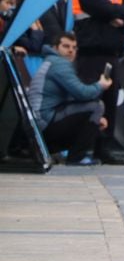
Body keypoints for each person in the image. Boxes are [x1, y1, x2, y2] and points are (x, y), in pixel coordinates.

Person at [71, 0, 124, 165]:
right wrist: (113, 16)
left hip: (112, 52)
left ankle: (104, 147)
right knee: (90, 100)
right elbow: (100, 7)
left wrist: (114, 16)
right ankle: (85, 147)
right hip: (91, 54)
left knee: (110, 102)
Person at [27, 32, 111, 165]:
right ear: (55, 48)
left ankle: (61, 152)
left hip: (39, 125)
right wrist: (100, 85)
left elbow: (72, 98)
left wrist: (95, 119)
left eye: (74, 47)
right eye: (66, 46)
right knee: (97, 106)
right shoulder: (59, 64)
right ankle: (77, 158)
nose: (71, 50)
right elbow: (82, 93)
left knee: (93, 116)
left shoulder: (51, 61)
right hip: (43, 125)